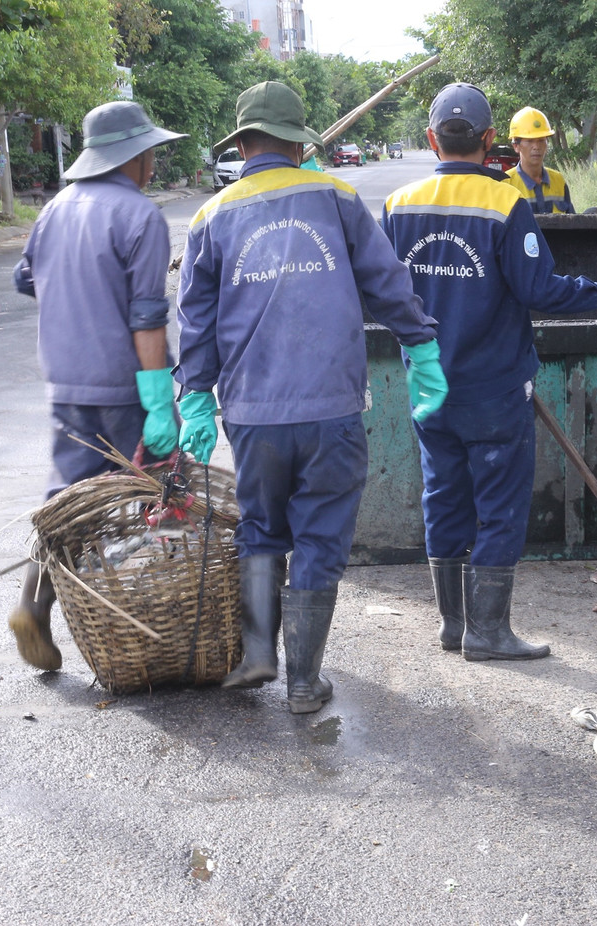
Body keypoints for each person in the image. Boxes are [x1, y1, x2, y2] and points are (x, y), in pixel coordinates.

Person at [175, 81, 446, 714]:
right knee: (322, 537)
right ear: (299, 142)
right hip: (331, 408)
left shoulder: (210, 216)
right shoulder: (337, 197)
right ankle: (303, 682)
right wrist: (422, 347)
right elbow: (386, 283)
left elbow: (195, 319)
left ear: (242, 143)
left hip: (251, 413)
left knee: (262, 528)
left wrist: (193, 396)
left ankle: (259, 652)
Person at [382, 82, 597, 661]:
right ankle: (489, 632)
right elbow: (538, 289)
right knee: (498, 504)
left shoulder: (399, 206)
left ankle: (453, 625)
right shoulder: (505, 205)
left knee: (442, 495)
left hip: (429, 388)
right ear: (490, 139)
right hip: (492, 389)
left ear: (431, 140)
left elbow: (382, 292)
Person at [7, 101, 186, 672]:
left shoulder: (55, 209)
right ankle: (151, 624)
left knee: (66, 502)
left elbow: (26, 277)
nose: (154, 162)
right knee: (156, 501)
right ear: (132, 157)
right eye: (150, 151)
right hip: (124, 387)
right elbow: (147, 320)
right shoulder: (140, 218)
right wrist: (159, 403)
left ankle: (32, 605)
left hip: (65, 383)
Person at [503, 106, 575, 215]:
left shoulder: (558, 180)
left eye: (541, 140)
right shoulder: (507, 184)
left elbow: (571, 222)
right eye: (530, 141)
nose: (536, 147)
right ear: (516, 146)